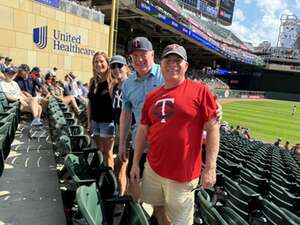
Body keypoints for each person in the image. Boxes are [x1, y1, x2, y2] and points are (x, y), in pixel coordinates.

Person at [130, 44, 220, 225]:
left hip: (183, 176)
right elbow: (142, 131)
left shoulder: (200, 91)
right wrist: (135, 164)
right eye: (168, 60)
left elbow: (213, 129)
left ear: (186, 66)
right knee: (157, 208)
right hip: (153, 169)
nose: (172, 64)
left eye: (177, 60)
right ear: (160, 64)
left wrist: (210, 167)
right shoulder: (152, 96)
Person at [87, 52, 115, 168]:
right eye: (96, 62)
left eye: (101, 61)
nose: (99, 64)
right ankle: (102, 175)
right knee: (99, 151)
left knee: (108, 153)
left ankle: (110, 179)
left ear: (107, 64)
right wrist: (89, 121)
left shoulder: (112, 82)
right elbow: (90, 103)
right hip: (95, 121)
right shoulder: (93, 81)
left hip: (107, 123)